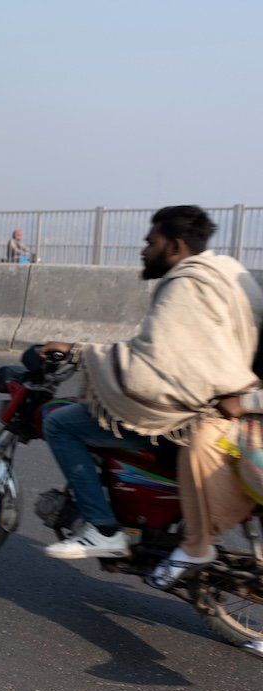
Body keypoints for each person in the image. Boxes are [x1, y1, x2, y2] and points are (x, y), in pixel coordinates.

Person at [40, 206, 263, 584]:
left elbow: (152, 370)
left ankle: (102, 528)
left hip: (194, 415)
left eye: (150, 242)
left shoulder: (186, 285)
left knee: (62, 423)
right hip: (235, 402)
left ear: (174, 245)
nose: (143, 251)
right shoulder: (225, 272)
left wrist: (81, 354)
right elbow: (176, 351)